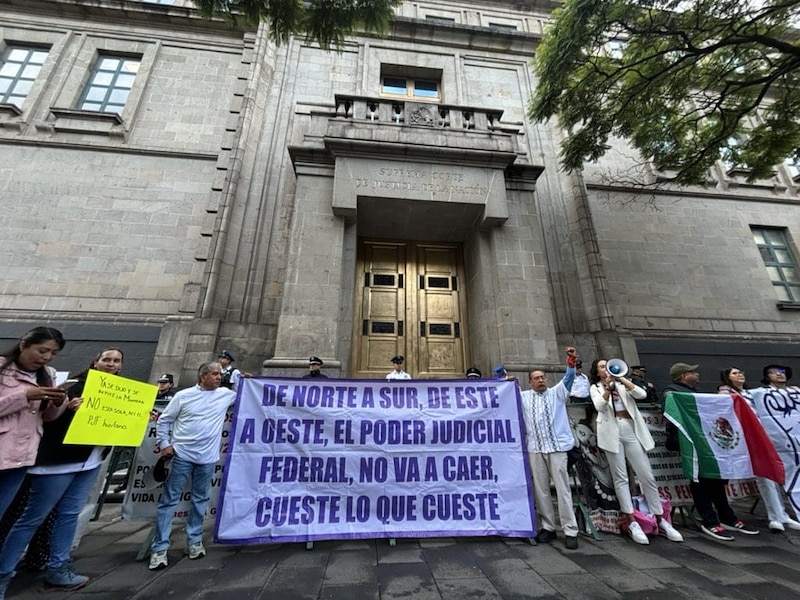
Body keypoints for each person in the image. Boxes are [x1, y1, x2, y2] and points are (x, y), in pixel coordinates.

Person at [0, 347, 124, 595]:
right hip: (59, 461)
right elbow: (45, 418)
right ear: (96, 361)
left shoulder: (122, 391)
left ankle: (59, 567)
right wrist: (67, 410)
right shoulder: (73, 386)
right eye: (106, 359)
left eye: (116, 361)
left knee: (69, 515)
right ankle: (3, 574)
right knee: (32, 517)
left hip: (90, 459)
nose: (111, 364)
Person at [149, 362, 237, 570]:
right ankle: (160, 548)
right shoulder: (183, 396)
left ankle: (194, 541)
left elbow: (250, 392)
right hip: (181, 455)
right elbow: (164, 421)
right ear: (202, 376)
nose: (218, 377)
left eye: (220, 374)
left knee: (200, 500)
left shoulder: (225, 394)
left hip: (207, 458)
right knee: (169, 500)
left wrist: (251, 380)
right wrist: (164, 444)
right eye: (214, 374)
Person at [662, 362, 759, 541]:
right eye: (693, 372)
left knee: (715, 480)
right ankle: (709, 520)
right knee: (700, 483)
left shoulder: (694, 392)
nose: (697, 374)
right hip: (691, 443)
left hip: (706, 442)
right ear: (683, 376)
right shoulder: (672, 392)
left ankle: (727, 517)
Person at [589, 359, 682, 544]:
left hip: (630, 429)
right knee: (620, 477)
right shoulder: (596, 388)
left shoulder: (623, 385)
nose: (607, 368)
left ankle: (660, 518)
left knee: (646, 475)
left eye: (608, 365)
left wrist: (623, 380)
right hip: (611, 431)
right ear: (597, 372)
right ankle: (631, 520)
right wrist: (608, 388)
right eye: (602, 366)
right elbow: (599, 406)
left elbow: (641, 394)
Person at [0, 327, 67, 523]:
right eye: (42, 350)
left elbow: (47, 417)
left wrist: (58, 402)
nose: (47, 357)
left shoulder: (49, 374)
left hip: (22, 456)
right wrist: (24, 397)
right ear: (23, 345)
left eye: (54, 353)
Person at [722, 365, 800, 532]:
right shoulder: (756, 394)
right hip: (762, 442)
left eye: (782, 372)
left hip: (786, 442)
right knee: (767, 479)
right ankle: (775, 516)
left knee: (786, 478)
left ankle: (783, 514)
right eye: (774, 372)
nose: (779, 374)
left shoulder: (787, 393)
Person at [520, 347, 579, 549]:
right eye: (536, 378)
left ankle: (570, 529)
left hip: (557, 448)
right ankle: (548, 527)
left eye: (543, 377)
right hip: (535, 448)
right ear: (530, 382)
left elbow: (569, 378)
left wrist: (570, 361)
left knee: (563, 489)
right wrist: (501, 376)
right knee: (541, 490)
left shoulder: (558, 393)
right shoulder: (524, 397)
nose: (541, 380)